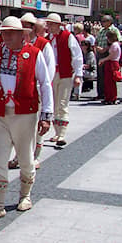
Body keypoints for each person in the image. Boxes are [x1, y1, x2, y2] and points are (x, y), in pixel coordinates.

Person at [0, 16, 53, 221]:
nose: (6, 36)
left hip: (25, 114)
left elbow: (45, 84)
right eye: (4, 33)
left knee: (25, 157)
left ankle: (25, 196)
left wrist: (46, 115)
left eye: (11, 33)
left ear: (22, 35)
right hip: (2, 114)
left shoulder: (34, 54)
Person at [7, 13, 56, 170]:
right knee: (19, 128)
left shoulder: (43, 44)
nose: (25, 27)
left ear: (34, 28)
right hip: (20, 94)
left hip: (36, 92)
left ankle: (35, 157)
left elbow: (48, 71)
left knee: (36, 127)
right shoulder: (18, 45)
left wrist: (40, 88)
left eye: (28, 24)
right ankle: (18, 156)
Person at [44, 13, 83, 147]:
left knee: (62, 103)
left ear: (58, 25)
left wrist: (78, 75)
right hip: (51, 74)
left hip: (65, 74)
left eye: (51, 24)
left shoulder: (68, 37)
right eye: (48, 24)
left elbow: (77, 56)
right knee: (53, 103)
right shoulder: (47, 39)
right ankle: (57, 132)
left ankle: (62, 134)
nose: (49, 27)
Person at [95, 15, 121, 100]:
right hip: (100, 53)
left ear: (109, 22)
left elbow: (118, 42)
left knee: (108, 77)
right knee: (100, 75)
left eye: (104, 21)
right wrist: (97, 47)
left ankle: (108, 95)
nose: (102, 23)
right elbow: (97, 40)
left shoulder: (114, 30)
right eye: (102, 21)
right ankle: (100, 93)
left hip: (108, 54)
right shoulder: (101, 30)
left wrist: (105, 49)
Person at [98, 30, 122, 105]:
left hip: (112, 63)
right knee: (107, 82)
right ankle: (108, 97)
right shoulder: (113, 45)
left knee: (111, 82)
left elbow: (112, 56)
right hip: (110, 63)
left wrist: (103, 59)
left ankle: (112, 98)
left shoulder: (115, 45)